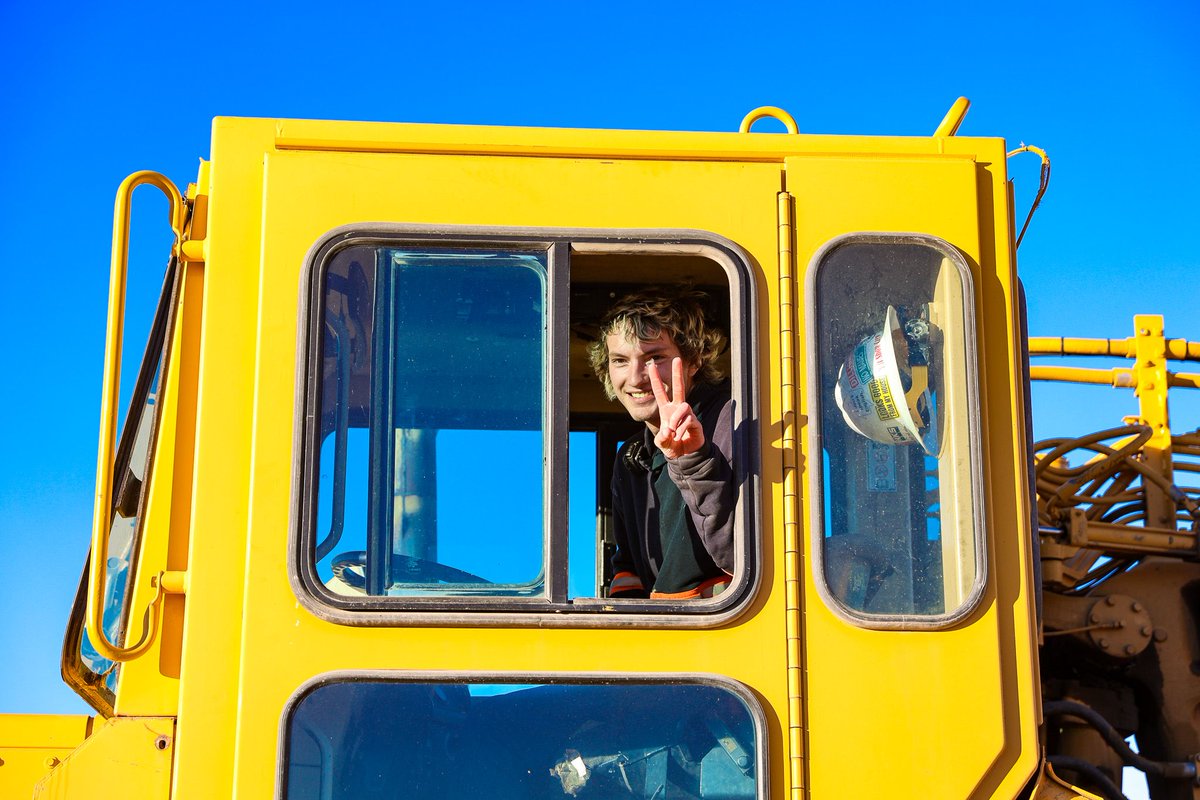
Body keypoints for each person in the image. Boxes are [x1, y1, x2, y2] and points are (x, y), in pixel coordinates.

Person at [587, 288, 736, 599]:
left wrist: (692, 459)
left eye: (654, 358)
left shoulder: (732, 420)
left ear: (694, 360)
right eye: (620, 360)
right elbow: (627, 569)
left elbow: (740, 555)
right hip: (666, 635)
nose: (637, 377)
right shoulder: (631, 455)